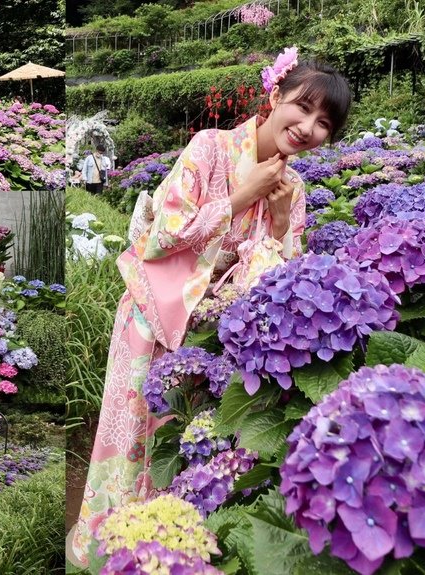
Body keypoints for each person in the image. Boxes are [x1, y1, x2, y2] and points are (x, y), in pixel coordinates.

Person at [68, 52, 352, 566]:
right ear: (275, 98)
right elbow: (160, 238)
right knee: (134, 440)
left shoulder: (295, 189)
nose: (309, 127)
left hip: (211, 342)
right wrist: (244, 196)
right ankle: (113, 552)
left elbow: (286, 282)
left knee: (183, 446)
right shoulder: (212, 148)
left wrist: (284, 219)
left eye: (324, 123)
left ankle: (166, 555)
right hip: (154, 319)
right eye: (303, 108)